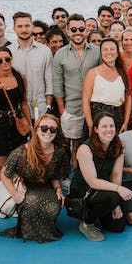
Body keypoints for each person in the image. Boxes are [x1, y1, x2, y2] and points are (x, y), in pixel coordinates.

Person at [0, 114, 69, 243]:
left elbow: (54, 176)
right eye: (44, 128)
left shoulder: (59, 152)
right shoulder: (21, 152)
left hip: (45, 187)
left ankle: (44, 230)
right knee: (31, 203)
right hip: (26, 187)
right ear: (36, 130)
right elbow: (4, 174)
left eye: (52, 129)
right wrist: (14, 194)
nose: (48, 132)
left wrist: (58, 189)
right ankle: (29, 231)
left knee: (53, 206)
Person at [69, 111, 132, 241]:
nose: (109, 129)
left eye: (112, 126)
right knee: (113, 196)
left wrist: (116, 205)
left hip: (103, 190)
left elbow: (116, 175)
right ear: (96, 129)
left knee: (118, 226)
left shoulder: (119, 145)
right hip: (82, 192)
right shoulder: (85, 149)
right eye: (104, 126)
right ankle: (87, 222)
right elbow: (92, 181)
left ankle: (99, 212)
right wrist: (118, 191)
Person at [0, 46, 31, 196]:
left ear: (12, 59)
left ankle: (17, 198)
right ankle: (2, 199)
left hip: (16, 125)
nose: (4, 63)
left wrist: (31, 126)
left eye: (7, 59)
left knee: (19, 166)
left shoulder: (20, 78)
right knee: (2, 169)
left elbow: (24, 103)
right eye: (0, 60)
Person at [52, 14, 100, 165]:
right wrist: (62, 112)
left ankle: (81, 175)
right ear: (67, 30)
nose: (78, 32)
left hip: (92, 107)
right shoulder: (60, 54)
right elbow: (57, 84)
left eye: (81, 29)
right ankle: (67, 176)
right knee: (66, 145)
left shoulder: (97, 51)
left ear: (86, 30)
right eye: (74, 29)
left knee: (82, 146)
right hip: (70, 108)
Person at [81, 37, 131, 139]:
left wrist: (125, 122)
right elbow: (85, 100)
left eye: (112, 49)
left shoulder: (123, 74)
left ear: (117, 53)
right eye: (105, 49)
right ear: (101, 53)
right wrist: (90, 125)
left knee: (113, 151)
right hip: (96, 116)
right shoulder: (93, 73)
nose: (109, 52)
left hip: (116, 117)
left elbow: (128, 98)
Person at [11, 11, 53, 118]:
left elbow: (49, 81)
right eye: (19, 26)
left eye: (27, 26)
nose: (24, 30)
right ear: (14, 28)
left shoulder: (45, 51)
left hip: (41, 109)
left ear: (32, 27)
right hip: (17, 111)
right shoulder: (8, 52)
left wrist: (48, 106)